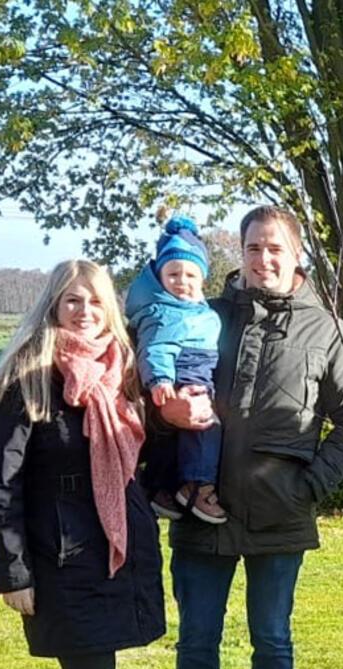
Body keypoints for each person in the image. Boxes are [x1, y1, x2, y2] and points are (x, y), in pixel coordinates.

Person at [140, 205, 343, 669]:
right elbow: (161, 402)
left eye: (275, 248)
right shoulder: (204, 318)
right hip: (203, 511)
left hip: (280, 514)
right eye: (251, 248)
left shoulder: (326, 330)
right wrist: (174, 475)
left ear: (297, 255)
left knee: (272, 642)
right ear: (238, 255)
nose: (263, 259)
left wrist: (311, 485)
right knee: (196, 643)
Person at [0, 259, 166, 669]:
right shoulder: (26, 376)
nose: (83, 312)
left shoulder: (121, 371)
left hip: (117, 547)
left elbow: (145, 458)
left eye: (93, 301)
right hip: (58, 554)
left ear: (109, 308)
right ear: (52, 307)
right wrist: (12, 572)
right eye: (71, 301)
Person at [127, 214, 227, 523]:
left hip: (198, 366)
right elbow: (155, 347)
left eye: (190, 275)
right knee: (205, 424)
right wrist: (160, 378)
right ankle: (197, 485)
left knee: (175, 436)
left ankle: (161, 488)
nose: (182, 282)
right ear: (159, 276)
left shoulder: (192, 308)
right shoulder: (162, 312)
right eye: (173, 274)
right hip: (184, 370)